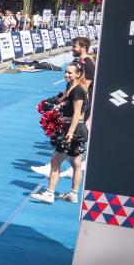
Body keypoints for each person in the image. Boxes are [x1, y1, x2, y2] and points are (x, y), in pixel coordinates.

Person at [32, 36, 94, 179]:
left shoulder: (88, 64)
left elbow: (84, 86)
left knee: (69, 135)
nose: (72, 49)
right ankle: (68, 166)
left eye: (75, 46)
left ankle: (56, 166)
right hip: (72, 102)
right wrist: (58, 99)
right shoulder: (80, 62)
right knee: (67, 136)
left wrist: (67, 101)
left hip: (78, 105)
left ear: (83, 48)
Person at [31, 61, 90, 204]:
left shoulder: (78, 90)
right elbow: (62, 100)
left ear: (78, 74)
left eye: (70, 73)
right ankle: (74, 194)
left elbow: (77, 113)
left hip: (72, 129)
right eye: (66, 72)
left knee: (54, 162)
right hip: (76, 129)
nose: (66, 75)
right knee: (76, 163)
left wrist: (69, 133)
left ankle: (49, 194)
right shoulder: (71, 86)